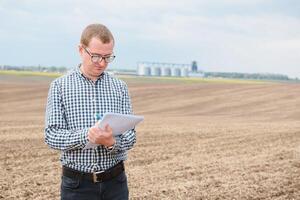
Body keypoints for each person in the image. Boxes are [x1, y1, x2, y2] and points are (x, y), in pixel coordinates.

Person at [45, 23, 136, 200]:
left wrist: (111, 142)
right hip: (77, 187)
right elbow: (52, 135)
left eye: (107, 57)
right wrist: (87, 136)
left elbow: (131, 137)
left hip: (115, 184)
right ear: (81, 50)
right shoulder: (59, 87)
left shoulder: (120, 87)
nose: (101, 63)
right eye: (95, 56)